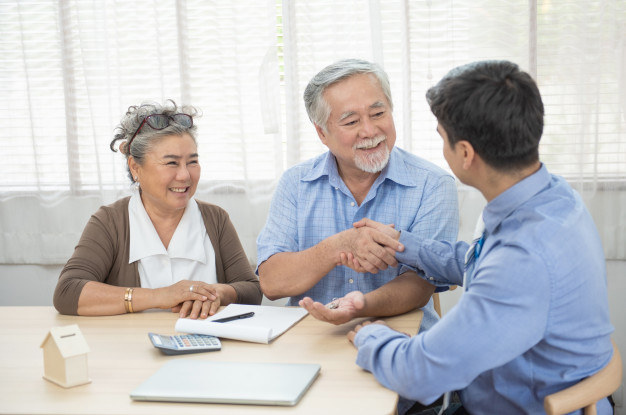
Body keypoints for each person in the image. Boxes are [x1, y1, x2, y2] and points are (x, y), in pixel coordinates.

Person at [347, 60, 614, 414]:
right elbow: (479, 260)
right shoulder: (550, 197)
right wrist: (403, 244)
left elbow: (418, 373)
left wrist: (370, 335)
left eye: (443, 139)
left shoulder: (524, 258)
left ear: (467, 154)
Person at [256, 58, 459, 332]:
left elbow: (420, 285)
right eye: (351, 121)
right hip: (311, 339)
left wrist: (359, 306)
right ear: (322, 133)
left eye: (378, 114)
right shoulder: (296, 183)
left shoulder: (433, 184)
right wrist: (338, 247)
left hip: (400, 341)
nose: (370, 131)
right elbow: (272, 283)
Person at [53, 100, 262, 319]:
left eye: (192, 162)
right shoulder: (110, 221)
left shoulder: (215, 218)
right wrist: (161, 296)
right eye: (171, 163)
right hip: (133, 347)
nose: (185, 175)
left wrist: (217, 293)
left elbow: (251, 290)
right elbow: (68, 292)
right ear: (135, 167)